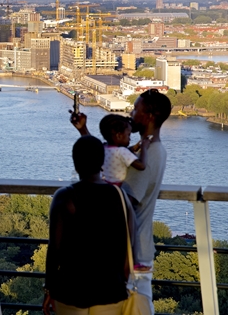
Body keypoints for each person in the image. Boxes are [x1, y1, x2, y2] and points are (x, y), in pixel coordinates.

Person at [72, 89, 171, 314]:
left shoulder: (147, 156)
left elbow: (117, 203)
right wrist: (84, 131)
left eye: (135, 109)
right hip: (135, 251)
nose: (131, 114)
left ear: (150, 116)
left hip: (129, 255)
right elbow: (110, 157)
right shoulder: (149, 150)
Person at [43, 135, 134, 315]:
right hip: (111, 289)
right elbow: (128, 243)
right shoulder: (120, 195)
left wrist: (49, 289)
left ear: (75, 163)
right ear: (102, 163)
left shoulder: (65, 197)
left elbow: (55, 250)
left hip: (71, 290)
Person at [98, 114, 150, 186]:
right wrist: (144, 148)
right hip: (116, 188)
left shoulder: (104, 147)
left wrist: (135, 147)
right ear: (119, 135)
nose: (130, 138)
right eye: (128, 135)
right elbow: (141, 166)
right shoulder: (122, 151)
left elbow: (119, 155)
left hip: (105, 185)